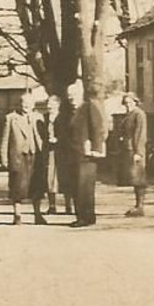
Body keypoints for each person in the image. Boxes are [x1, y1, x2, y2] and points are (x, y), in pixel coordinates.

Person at [0, 92, 43, 225]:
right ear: (19, 104)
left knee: (37, 186)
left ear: (33, 105)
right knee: (17, 187)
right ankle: (17, 215)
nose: (26, 106)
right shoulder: (11, 118)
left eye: (29, 104)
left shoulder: (38, 117)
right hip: (18, 157)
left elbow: (42, 138)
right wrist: (3, 157)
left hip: (35, 156)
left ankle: (38, 214)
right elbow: (4, 139)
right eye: (23, 103)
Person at [68, 91, 110, 228]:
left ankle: (85, 217)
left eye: (73, 96)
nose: (71, 99)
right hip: (75, 154)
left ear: (80, 95)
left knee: (84, 187)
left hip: (87, 155)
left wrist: (96, 149)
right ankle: (85, 216)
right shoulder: (72, 111)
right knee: (78, 187)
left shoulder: (88, 107)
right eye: (69, 96)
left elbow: (98, 128)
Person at [120, 92, 150, 217]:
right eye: (125, 103)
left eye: (130, 103)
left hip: (136, 150)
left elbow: (140, 134)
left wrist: (138, 152)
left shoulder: (139, 114)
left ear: (135, 102)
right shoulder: (129, 115)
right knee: (134, 178)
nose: (128, 105)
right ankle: (137, 205)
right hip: (129, 149)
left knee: (139, 178)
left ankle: (140, 206)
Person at [33, 96, 60, 216]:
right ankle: (52, 205)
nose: (49, 106)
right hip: (49, 151)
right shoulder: (44, 118)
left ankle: (69, 206)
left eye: (52, 104)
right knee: (50, 178)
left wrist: (58, 140)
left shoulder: (64, 117)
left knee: (65, 177)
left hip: (62, 150)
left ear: (58, 104)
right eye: (48, 104)